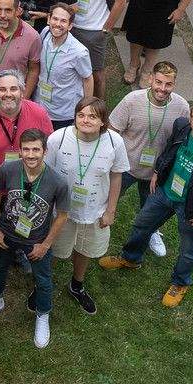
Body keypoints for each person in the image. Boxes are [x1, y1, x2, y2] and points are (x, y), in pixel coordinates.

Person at [99, 98, 193, 307]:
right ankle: (131, 258)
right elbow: (169, 149)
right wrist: (158, 170)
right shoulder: (182, 127)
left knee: (188, 247)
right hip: (165, 192)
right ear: (190, 117)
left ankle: (180, 282)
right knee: (142, 224)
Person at [0, 125, 69, 347]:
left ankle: (43, 314)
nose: (31, 155)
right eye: (26, 149)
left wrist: (45, 245)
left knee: (43, 279)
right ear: (20, 151)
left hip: (37, 239)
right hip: (7, 232)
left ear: (45, 151)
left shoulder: (57, 181)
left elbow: (63, 215)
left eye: (36, 150)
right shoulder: (8, 169)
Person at [43, 97, 129, 316]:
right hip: (60, 212)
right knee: (52, 250)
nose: (86, 120)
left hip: (95, 212)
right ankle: (43, 286)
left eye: (92, 116)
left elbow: (116, 176)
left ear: (103, 121)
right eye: (81, 115)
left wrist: (110, 211)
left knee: (86, 249)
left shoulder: (114, 142)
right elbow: (46, 175)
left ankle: (76, 285)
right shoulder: (57, 139)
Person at [111, 59, 189, 259]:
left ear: (174, 84)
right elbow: (112, 132)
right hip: (126, 168)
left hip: (156, 173)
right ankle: (99, 228)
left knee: (151, 211)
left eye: (168, 84)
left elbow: (182, 141)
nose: (162, 89)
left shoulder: (181, 107)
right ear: (150, 79)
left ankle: (152, 232)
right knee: (107, 201)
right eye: (159, 82)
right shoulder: (131, 100)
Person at [28, 3, 95, 129]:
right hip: (38, 106)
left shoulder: (79, 52)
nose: (58, 24)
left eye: (63, 21)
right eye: (55, 19)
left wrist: (86, 109)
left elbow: (88, 79)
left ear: (70, 26)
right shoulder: (45, 33)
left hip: (62, 114)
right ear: (48, 19)